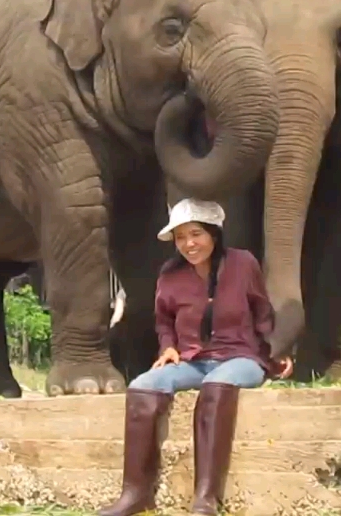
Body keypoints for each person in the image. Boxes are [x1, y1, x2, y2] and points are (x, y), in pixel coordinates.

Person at [100, 198, 293, 516]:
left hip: (240, 356)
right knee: (143, 385)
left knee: (217, 383)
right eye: (180, 237)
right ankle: (135, 494)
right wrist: (168, 347)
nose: (188, 244)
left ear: (214, 234)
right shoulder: (170, 274)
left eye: (196, 234)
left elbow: (262, 311)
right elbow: (163, 320)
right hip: (191, 359)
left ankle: (206, 497)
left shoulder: (243, 263)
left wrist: (277, 352)